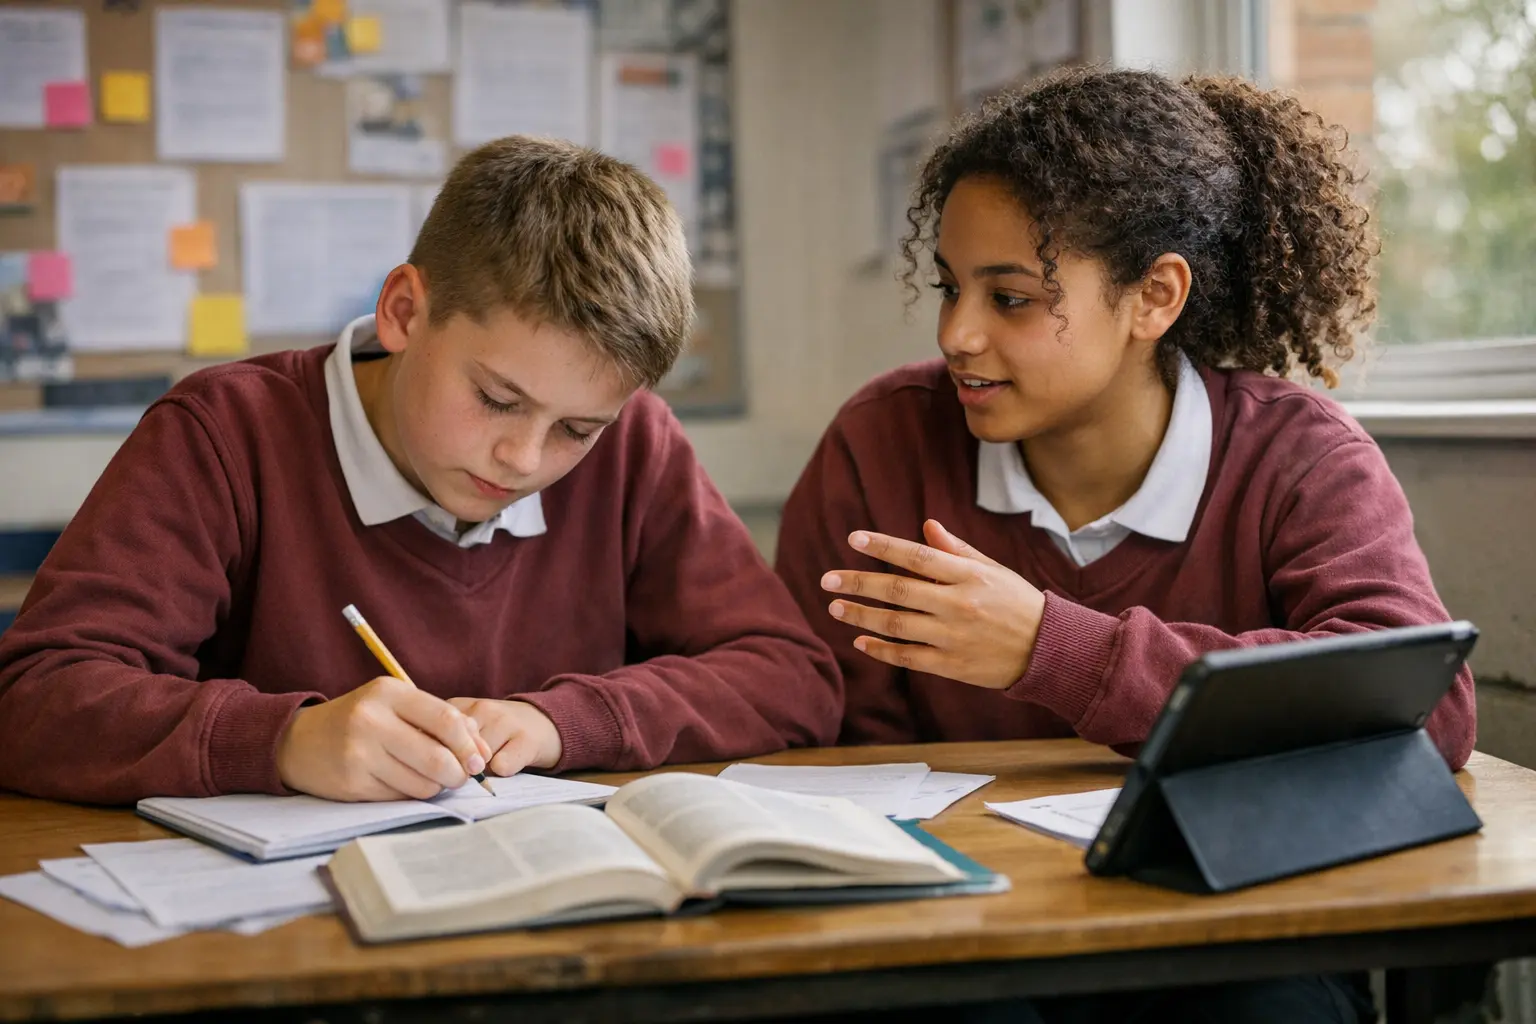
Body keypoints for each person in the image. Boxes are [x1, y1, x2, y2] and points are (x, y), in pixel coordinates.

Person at [777, 67, 1468, 1023]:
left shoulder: (1299, 455)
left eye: (1011, 298)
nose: (957, 333)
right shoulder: (880, 446)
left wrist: (1053, 650)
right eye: (949, 287)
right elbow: (831, 733)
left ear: (1155, 296)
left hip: (1231, 930)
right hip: (962, 932)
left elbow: (1428, 709)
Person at [0, 136, 842, 805]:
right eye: (496, 397)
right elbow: (36, 698)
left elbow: (789, 677)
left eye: (576, 428)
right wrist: (285, 741)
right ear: (405, 310)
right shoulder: (225, 434)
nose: (523, 458)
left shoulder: (633, 447)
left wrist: (562, 724)